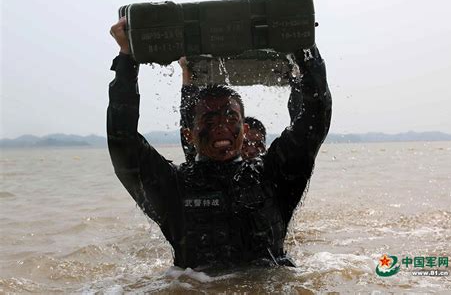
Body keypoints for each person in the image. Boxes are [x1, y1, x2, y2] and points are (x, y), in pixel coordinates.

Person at [107, 17, 332, 269]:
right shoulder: (173, 187)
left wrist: (305, 48)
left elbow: (314, 119)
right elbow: (122, 140)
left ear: (244, 129)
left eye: (230, 116)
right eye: (209, 118)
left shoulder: (273, 176)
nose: (221, 126)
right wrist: (126, 56)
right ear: (188, 135)